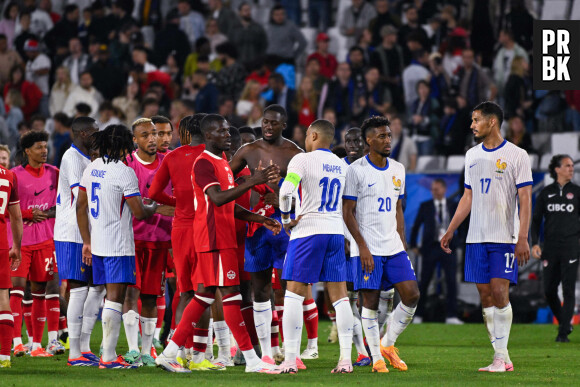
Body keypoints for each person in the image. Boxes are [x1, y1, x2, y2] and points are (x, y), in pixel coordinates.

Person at [155, 114, 280, 373]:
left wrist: (260, 218)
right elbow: (218, 199)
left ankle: (168, 353)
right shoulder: (203, 164)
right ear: (208, 135)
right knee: (231, 294)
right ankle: (252, 360)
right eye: (222, 131)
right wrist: (254, 182)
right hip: (212, 237)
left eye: (227, 130)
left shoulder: (222, 162)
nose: (227, 134)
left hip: (220, 236)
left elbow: (230, 205)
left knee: (205, 295)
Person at [441, 101, 532, 372]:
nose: (472, 125)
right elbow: (468, 197)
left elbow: (525, 199)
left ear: (492, 122)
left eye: (476, 120)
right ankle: (501, 356)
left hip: (504, 235)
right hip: (475, 237)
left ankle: (499, 358)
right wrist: (451, 227)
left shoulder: (518, 155)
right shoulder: (471, 155)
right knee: (485, 296)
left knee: (499, 291)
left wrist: (523, 237)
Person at [77, 124, 164, 369]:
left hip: (98, 245)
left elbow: (80, 207)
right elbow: (139, 212)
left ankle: (108, 353)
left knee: (108, 299)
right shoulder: (124, 172)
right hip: (119, 245)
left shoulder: (92, 167)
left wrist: (86, 240)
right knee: (115, 300)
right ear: (125, 144)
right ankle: (108, 358)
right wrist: (154, 206)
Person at [271, 119, 354, 374]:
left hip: (308, 231)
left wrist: (285, 219)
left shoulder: (302, 160)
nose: (306, 140)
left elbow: (286, 191)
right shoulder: (342, 166)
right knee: (340, 297)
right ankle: (345, 360)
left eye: (307, 135)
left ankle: (290, 359)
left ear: (314, 135)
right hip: (334, 232)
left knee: (294, 294)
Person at [343, 116, 420, 373]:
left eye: (389, 135)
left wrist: (402, 240)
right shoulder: (356, 170)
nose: (388, 140)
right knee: (370, 302)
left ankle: (387, 344)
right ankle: (376, 358)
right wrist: (362, 247)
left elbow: (398, 207)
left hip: (393, 246)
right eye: (382, 136)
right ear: (368, 140)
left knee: (411, 294)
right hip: (368, 248)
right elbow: (347, 212)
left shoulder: (398, 168)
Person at [229, 105, 303, 365]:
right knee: (259, 289)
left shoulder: (296, 154)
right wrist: (247, 184)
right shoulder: (248, 151)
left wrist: (286, 202)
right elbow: (225, 180)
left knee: (290, 290)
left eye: (274, 123)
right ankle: (268, 354)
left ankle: (292, 352)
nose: (268, 127)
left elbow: (310, 195)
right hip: (257, 227)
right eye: (265, 122)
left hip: (287, 228)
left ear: (284, 125)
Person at [121, 119, 174, 367]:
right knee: (131, 292)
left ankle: (146, 351)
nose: (152, 139)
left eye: (154, 134)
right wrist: (159, 208)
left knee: (151, 297)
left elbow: (176, 201)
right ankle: (132, 350)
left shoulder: (168, 163)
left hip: (161, 238)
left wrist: (161, 208)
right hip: (131, 239)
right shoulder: (127, 164)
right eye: (145, 135)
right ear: (135, 140)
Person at [53, 117, 101, 366]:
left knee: (97, 287)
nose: (98, 134)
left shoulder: (87, 158)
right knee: (79, 288)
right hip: (72, 233)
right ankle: (74, 353)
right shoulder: (72, 158)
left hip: (87, 233)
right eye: (95, 131)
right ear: (83, 133)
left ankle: (83, 346)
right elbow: (78, 196)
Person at [9, 131, 61, 357]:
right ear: (27, 151)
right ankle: (17, 342)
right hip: (20, 242)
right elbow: (5, 209)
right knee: (17, 290)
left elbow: (64, 204)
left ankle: (37, 345)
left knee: (40, 290)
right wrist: (28, 213)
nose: (44, 151)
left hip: (46, 240)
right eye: (39, 147)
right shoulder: (14, 176)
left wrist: (48, 213)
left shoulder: (54, 173)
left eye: (45, 146)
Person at [531, 155, 580, 342]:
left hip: (570, 246)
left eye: (572, 166)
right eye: (567, 165)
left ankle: (562, 334)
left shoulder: (577, 192)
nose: (571, 168)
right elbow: (535, 221)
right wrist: (535, 242)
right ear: (557, 169)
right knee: (549, 290)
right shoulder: (545, 193)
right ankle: (565, 323)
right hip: (550, 247)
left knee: (568, 289)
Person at [410, 179, 462, 324]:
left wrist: (459, 242)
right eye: (432, 189)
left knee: (451, 281)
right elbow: (416, 226)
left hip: (449, 248)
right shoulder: (425, 206)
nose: (434, 192)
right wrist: (413, 244)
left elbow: (463, 225)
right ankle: (418, 315)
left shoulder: (453, 206)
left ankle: (452, 315)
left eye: (437, 189)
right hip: (430, 248)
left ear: (444, 189)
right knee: (424, 282)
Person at [341, 127, 372, 367]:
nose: (352, 144)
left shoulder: (371, 166)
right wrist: (345, 239)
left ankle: (377, 343)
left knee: (375, 296)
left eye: (356, 140)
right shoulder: (338, 167)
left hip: (370, 239)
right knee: (350, 297)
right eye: (348, 140)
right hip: (344, 240)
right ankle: (361, 350)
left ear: (365, 143)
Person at [0, 155, 22, 369]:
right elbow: (15, 217)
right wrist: (16, 246)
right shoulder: (9, 176)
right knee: (3, 298)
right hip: (1, 242)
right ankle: (5, 356)